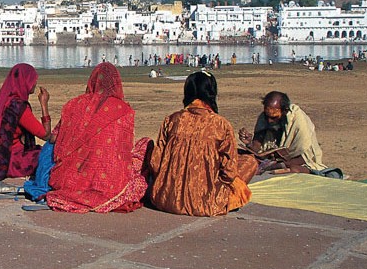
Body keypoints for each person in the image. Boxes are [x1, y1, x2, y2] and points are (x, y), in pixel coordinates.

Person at [144, 71, 256, 217]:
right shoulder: (221, 124)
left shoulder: (171, 120)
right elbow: (229, 172)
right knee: (250, 161)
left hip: (166, 199)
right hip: (207, 203)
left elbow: (156, 162)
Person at [41, 63, 147, 213]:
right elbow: (123, 153)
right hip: (110, 184)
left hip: (68, 179)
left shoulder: (73, 105)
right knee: (145, 145)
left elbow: (53, 138)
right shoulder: (123, 110)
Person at [0, 62, 51, 181]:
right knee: (49, 154)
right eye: (33, 80)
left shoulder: (6, 100)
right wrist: (44, 105)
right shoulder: (18, 107)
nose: (35, 83)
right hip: (10, 160)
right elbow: (45, 135)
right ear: (26, 81)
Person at [239, 91, 326, 174]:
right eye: (267, 116)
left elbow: (306, 156)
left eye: (274, 117)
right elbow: (258, 149)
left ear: (285, 111)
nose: (269, 121)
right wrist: (249, 143)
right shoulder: (264, 117)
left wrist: (277, 165)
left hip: (298, 163)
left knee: (294, 170)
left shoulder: (298, 120)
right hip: (271, 162)